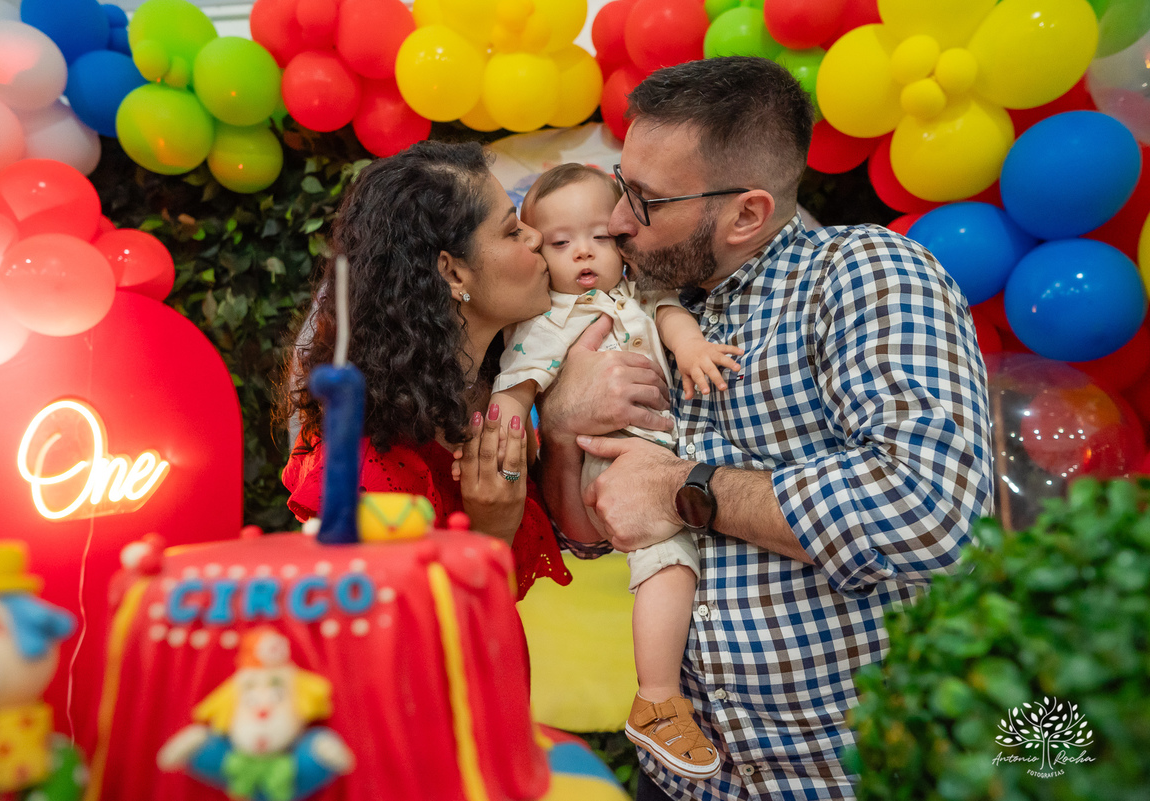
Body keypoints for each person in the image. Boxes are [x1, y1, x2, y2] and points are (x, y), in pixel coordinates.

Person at [535, 57, 993, 801]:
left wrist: (686, 487)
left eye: (647, 201)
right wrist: (560, 430)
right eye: (623, 183)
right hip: (689, 780)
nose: (619, 220)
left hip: (851, 771)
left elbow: (930, 511)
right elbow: (591, 533)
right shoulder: (642, 310)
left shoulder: (862, 271)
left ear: (747, 213)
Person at [479, 163, 741, 780]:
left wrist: (690, 347)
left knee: (686, 563)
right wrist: (504, 427)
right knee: (669, 562)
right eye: (561, 243)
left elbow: (670, 314)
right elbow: (517, 385)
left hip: (671, 461)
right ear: (539, 254)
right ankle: (655, 696)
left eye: (600, 235)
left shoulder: (638, 295)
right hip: (612, 467)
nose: (585, 253)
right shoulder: (546, 321)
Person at [279, 140, 571, 600]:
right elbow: (402, 637)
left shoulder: (507, 373)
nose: (536, 237)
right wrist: (491, 530)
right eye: (513, 231)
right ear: (454, 275)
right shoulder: (370, 467)